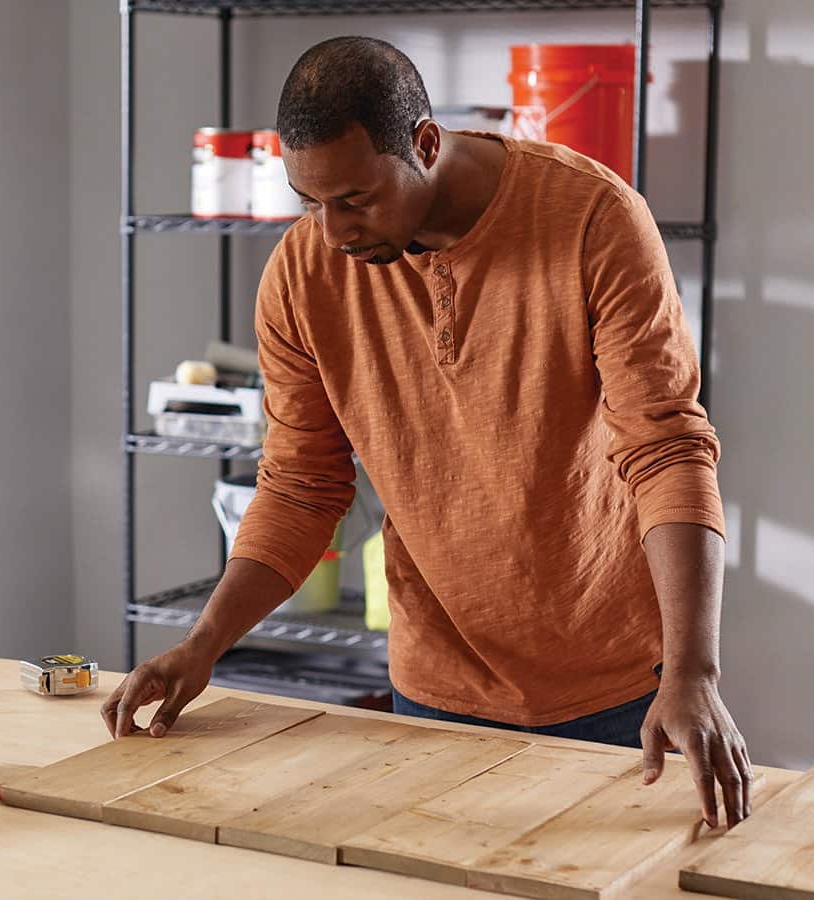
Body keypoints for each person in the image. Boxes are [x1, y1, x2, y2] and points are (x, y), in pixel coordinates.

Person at [103, 36, 752, 828]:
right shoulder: (303, 275)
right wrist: (205, 642)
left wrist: (693, 671)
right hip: (433, 687)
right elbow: (302, 485)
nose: (333, 230)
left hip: (619, 690)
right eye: (311, 202)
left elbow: (666, 447)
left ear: (426, 144)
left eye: (356, 199)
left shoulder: (594, 219)